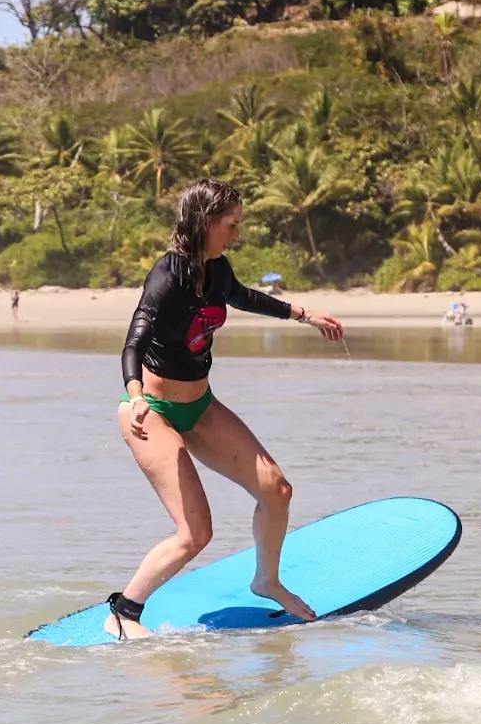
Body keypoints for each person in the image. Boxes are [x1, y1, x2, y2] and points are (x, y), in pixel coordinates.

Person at [107, 177, 344, 641]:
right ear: (204, 222)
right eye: (231, 225)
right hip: (150, 411)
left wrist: (304, 314)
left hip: (200, 405)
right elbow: (134, 339)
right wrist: (135, 395)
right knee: (195, 533)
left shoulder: (216, 270)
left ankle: (267, 581)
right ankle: (123, 611)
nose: (237, 233)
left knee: (277, 490)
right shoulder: (167, 276)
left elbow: (244, 297)